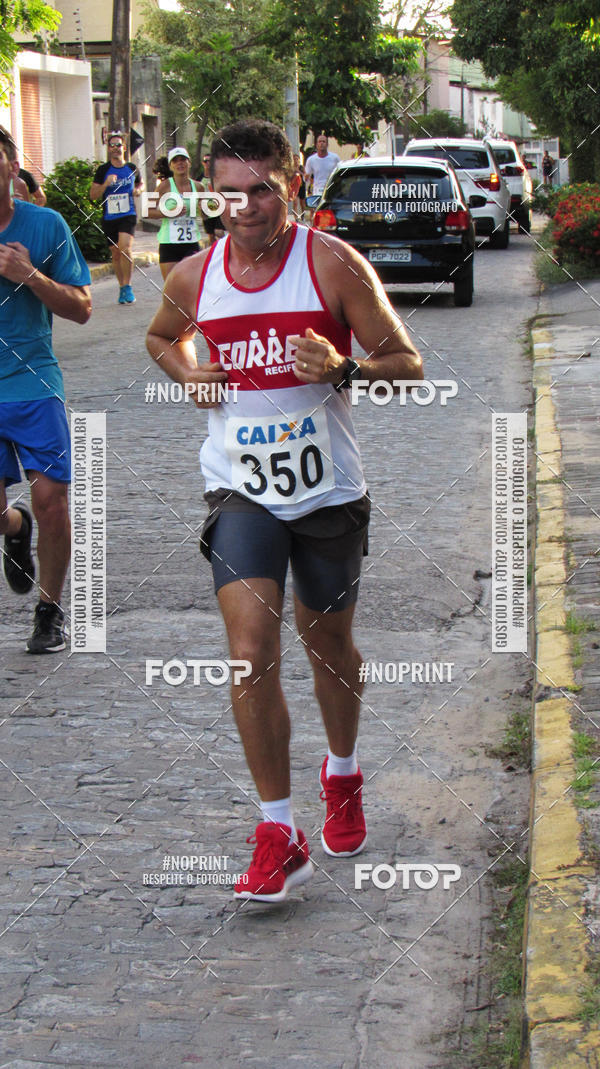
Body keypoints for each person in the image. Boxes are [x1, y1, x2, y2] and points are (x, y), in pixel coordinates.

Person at [146, 118, 423, 903]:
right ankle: (278, 830)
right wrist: (190, 373)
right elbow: (162, 337)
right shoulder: (195, 276)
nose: (245, 208)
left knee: (327, 643)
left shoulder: (332, 265)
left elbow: (408, 362)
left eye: (261, 189)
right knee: (249, 644)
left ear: (292, 184)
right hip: (241, 489)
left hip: (328, 489)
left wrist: (344, 365)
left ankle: (342, 772)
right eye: (228, 193)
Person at [0, 126, 92, 653]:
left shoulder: (45, 225)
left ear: (13, 169)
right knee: (19, 510)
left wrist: (29, 274)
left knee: (53, 500)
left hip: (34, 383)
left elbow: (81, 308)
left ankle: (48, 612)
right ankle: (15, 527)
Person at [89, 131, 143, 304]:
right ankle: (121, 287)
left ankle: (128, 286)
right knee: (116, 253)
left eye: (118, 145)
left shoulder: (132, 168)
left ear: (124, 147)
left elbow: (139, 184)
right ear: (108, 149)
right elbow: (93, 195)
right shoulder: (103, 170)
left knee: (125, 248)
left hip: (128, 214)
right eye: (111, 145)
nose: (115, 148)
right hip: (110, 216)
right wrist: (105, 184)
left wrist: (138, 190)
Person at [149, 146, 203, 279]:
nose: (180, 163)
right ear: (170, 166)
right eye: (175, 161)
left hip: (191, 242)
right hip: (169, 244)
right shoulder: (164, 186)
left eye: (183, 160)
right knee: (171, 290)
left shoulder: (198, 187)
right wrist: (168, 213)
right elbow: (148, 211)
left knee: (192, 287)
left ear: (189, 163)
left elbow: (207, 213)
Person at [304, 133, 340, 199]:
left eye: (324, 141)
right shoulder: (311, 160)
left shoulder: (335, 158)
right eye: (319, 141)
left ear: (327, 144)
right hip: (317, 192)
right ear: (316, 144)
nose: (321, 143)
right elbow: (306, 177)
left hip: (331, 191)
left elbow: (339, 174)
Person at [201, 152, 224, 246]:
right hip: (206, 210)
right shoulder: (199, 179)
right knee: (211, 236)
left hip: (218, 209)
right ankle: (215, 254)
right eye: (205, 161)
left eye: (210, 161)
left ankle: (225, 248)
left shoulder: (218, 177)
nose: (208, 163)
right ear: (203, 163)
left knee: (219, 232)